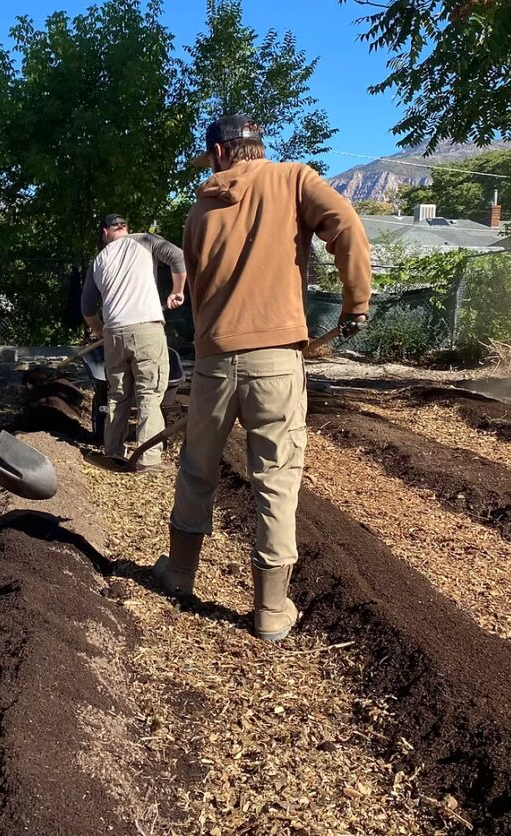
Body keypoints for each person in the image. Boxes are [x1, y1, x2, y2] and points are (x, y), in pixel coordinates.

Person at [153, 114, 371, 642]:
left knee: (197, 470)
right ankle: (271, 611)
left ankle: (179, 574)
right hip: (275, 361)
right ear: (254, 148)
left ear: (220, 154)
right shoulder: (294, 178)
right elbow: (345, 226)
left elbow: (200, 291)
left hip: (213, 361)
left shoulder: (199, 210)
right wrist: (356, 301)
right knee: (275, 481)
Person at [81, 214, 187, 471]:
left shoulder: (98, 261)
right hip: (147, 330)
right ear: (124, 228)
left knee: (118, 395)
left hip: (115, 333)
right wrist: (177, 290)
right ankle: (148, 459)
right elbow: (178, 257)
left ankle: (113, 451)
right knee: (149, 394)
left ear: (105, 232)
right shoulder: (144, 241)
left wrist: (101, 332)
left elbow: (87, 309)